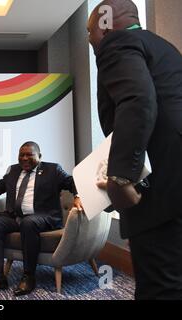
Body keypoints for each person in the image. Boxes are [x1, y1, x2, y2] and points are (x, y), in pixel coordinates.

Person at [88, 0, 182, 299]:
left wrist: (120, 177)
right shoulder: (165, 49)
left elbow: (138, 100)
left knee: (160, 287)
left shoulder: (117, 42)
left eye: (90, 33)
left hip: (162, 192)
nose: (91, 42)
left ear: (104, 25)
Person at [0, 141, 82, 296]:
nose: (24, 158)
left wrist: (78, 196)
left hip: (45, 217)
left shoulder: (53, 170)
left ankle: (29, 276)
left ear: (39, 156)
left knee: (29, 223)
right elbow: (1, 185)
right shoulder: (13, 170)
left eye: (29, 155)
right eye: (21, 155)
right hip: (16, 217)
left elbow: (72, 182)